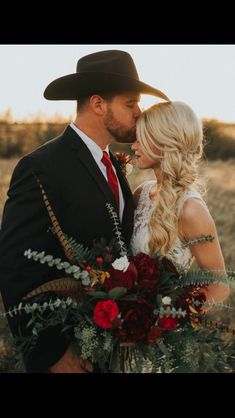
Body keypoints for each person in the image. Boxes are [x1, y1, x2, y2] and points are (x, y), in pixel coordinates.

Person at [0, 49, 169, 373]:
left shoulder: (115, 169)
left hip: (111, 348)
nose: (139, 112)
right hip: (66, 352)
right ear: (98, 104)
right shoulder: (41, 167)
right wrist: (51, 356)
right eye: (130, 103)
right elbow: (14, 268)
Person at [131, 101, 230, 305]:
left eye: (141, 139)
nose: (133, 146)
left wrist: (171, 317)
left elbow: (220, 287)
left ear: (164, 142)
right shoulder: (141, 193)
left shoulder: (191, 210)